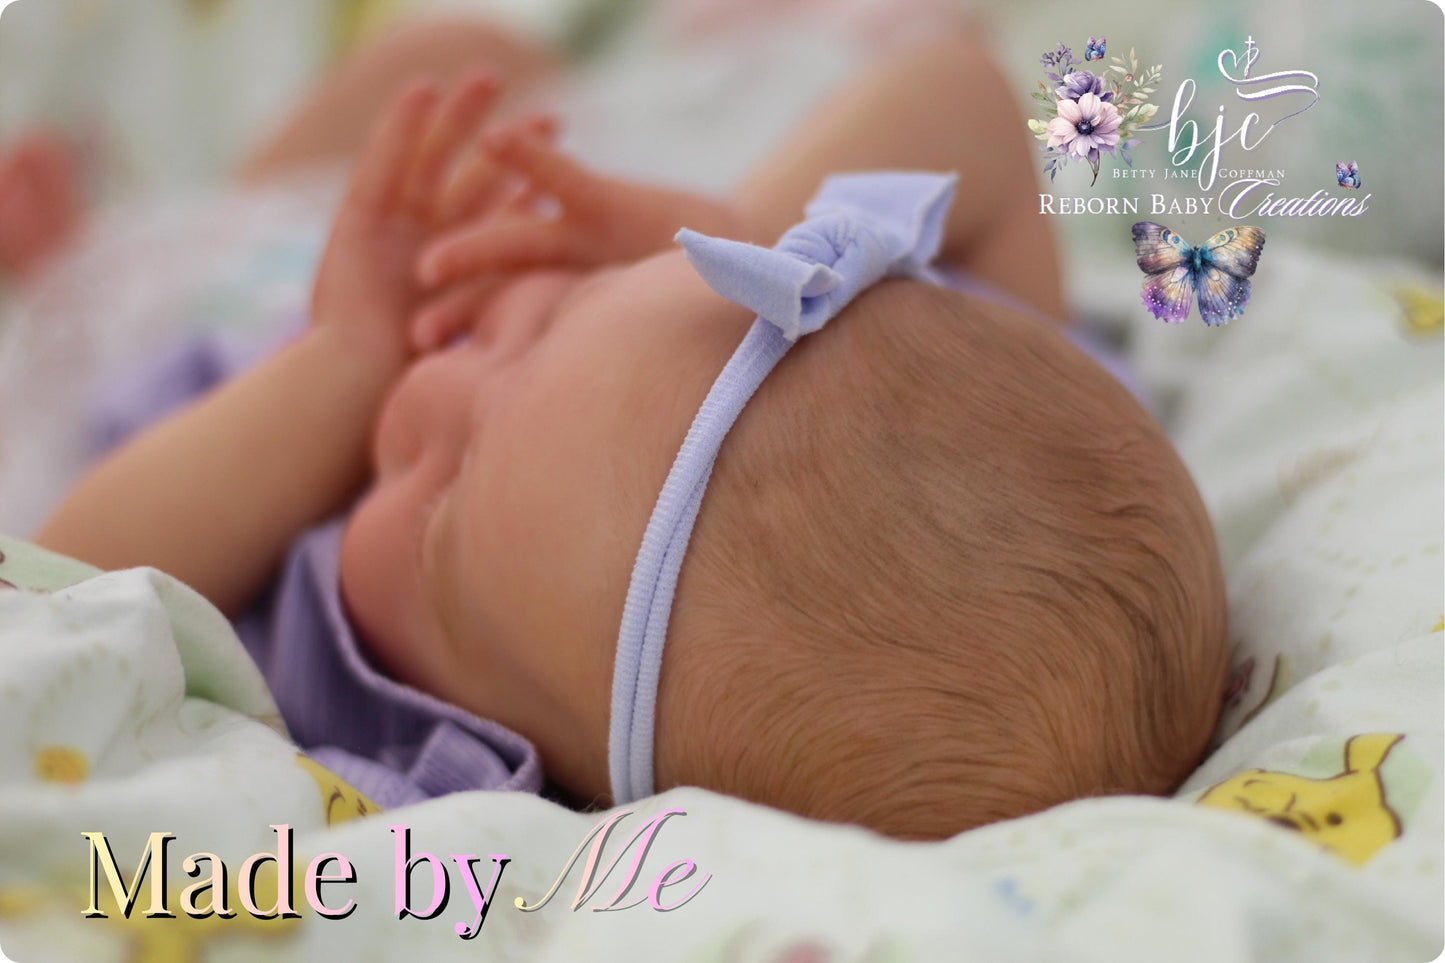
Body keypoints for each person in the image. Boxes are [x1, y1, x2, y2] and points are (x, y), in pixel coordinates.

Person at [32, 15, 1227, 839]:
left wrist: (341, 365)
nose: (423, 391)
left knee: (95, 297)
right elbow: (965, 90)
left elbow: (62, 580)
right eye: (548, 320)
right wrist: (741, 226)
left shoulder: (425, 774)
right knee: (460, 60)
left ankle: (65, 250)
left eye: (437, 505)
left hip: (178, 349)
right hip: (388, 224)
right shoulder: (938, 370)